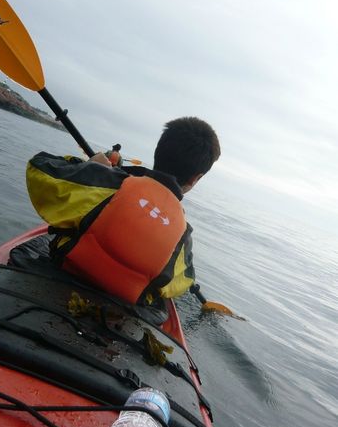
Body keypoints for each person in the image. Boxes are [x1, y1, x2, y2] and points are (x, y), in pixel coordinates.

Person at [26, 116, 220, 312]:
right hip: (118, 315)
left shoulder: (108, 183)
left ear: (157, 152)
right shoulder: (183, 235)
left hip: (60, 280)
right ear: (196, 178)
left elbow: (39, 167)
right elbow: (182, 282)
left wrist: (91, 167)